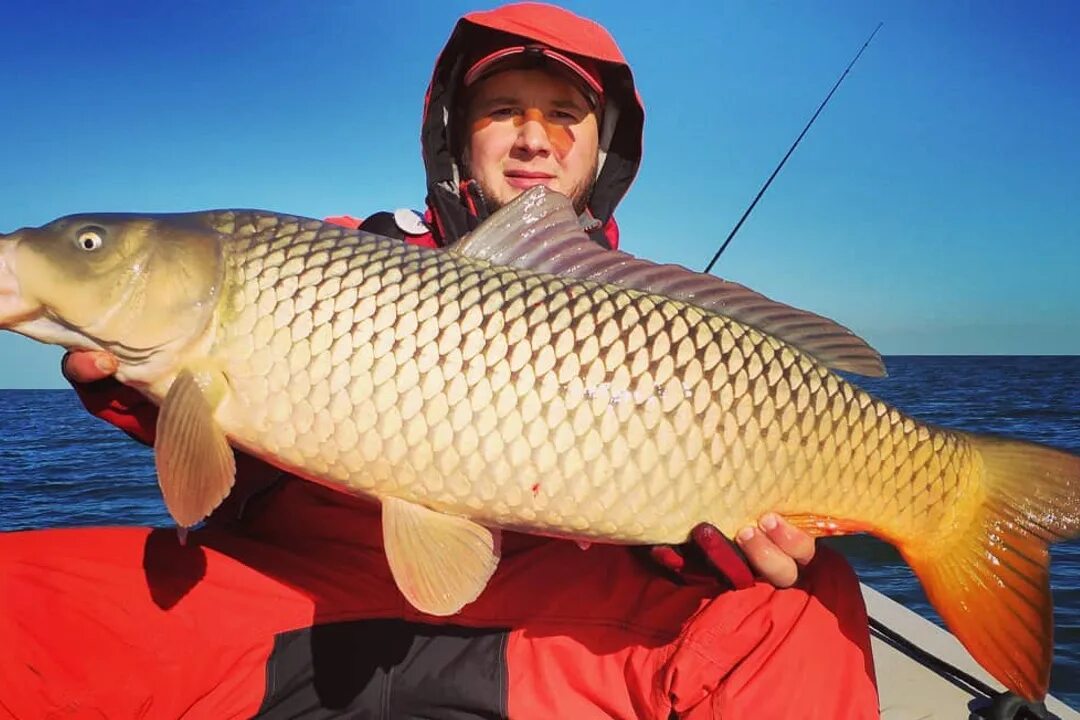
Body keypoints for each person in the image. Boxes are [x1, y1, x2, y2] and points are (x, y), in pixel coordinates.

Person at [0, 3, 879, 718]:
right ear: (457, 137)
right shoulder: (332, 255)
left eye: (564, 115)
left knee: (803, 606)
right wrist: (148, 400)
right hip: (303, 597)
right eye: (504, 111)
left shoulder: (662, 321)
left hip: (553, 620)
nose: (534, 138)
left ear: (601, 152)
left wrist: (698, 546)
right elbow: (201, 484)